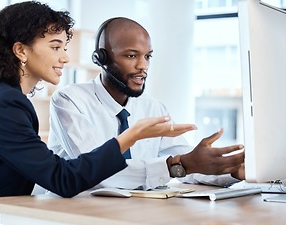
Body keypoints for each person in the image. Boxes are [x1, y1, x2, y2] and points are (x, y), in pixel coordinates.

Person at [0, 4, 196, 225]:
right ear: (21, 50)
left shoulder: (2, 96)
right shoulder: (3, 103)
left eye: (65, 47)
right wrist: (131, 136)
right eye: (55, 47)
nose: (65, 57)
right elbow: (62, 178)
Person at [47, 17, 245, 191]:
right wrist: (178, 165)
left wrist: (230, 169)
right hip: (76, 217)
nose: (143, 66)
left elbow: (189, 164)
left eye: (147, 56)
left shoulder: (152, 107)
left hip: (133, 212)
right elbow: (96, 172)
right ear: (101, 58)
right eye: (131, 56)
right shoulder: (69, 100)